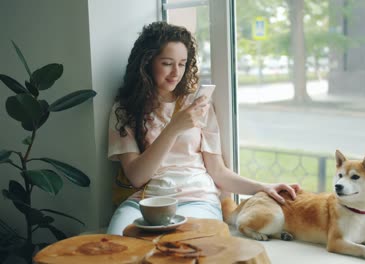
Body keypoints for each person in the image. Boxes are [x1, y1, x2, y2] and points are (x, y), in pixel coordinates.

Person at [107, 21, 300, 235]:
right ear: (147, 63)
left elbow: (218, 171)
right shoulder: (125, 109)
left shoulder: (197, 105)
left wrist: (263, 187)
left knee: (191, 250)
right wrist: (173, 128)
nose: (176, 73)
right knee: (117, 243)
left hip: (196, 200)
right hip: (145, 201)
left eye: (182, 64)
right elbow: (137, 176)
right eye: (167, 63)